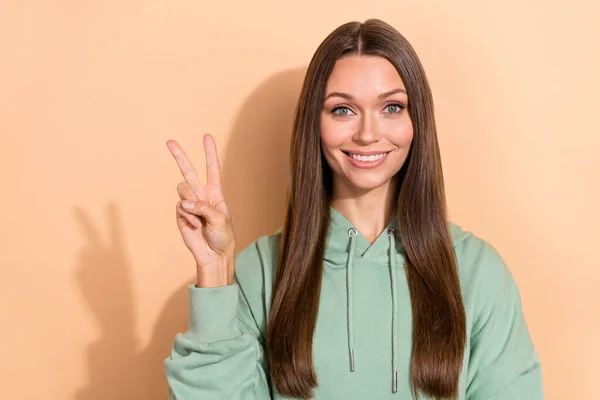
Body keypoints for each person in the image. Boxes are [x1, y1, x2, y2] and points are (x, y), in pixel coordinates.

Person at [163, 18, 543, 400]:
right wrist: (213, 269)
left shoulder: (477, 271)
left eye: (391, 107)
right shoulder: (260, 270)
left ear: (417, 121)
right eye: (343, 110)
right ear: (315, 123)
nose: (366, 133)